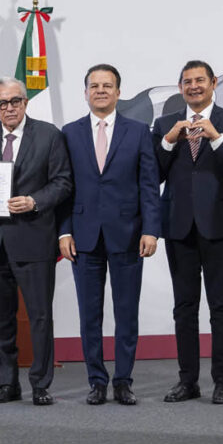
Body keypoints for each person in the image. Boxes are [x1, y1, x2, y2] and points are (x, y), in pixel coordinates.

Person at [60, 64, 161, 406]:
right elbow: (64, 187)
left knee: (126, 312)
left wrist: (151, 229)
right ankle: (97, 380)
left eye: (107, 85)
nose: (100, 90)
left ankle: (123, 380)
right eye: (94, 85)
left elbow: (149, 186)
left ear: (118, 92)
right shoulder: (69, 133)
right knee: (89, 315)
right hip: (84, 236)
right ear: (85, 92)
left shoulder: (137, 132)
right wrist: (64, 232)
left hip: (129, 234)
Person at [152, 60, 223, 405]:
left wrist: (217, 139)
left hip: (219, 226)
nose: (193, 86)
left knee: (221, 306)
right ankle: (187, 381)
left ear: (213, 83)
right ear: (180, 87)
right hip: (178, 226)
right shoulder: (165, 124)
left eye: (200, 80)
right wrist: (166, 142)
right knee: (184, 307)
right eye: (187, 81)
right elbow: (154, 175)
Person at [0, 77, 73, 406]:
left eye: (15, 101)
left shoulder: (49, 135)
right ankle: (7, 384)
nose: (10, 108)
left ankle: (40, 384)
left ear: (26, 102)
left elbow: (63, 182)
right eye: (3, 103)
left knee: (40, 317)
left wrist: (34, 201)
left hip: (34, 239)